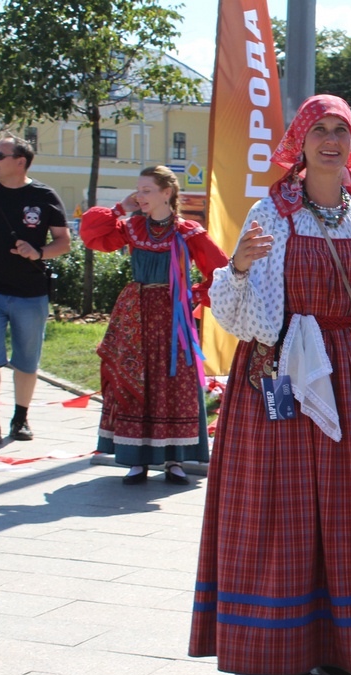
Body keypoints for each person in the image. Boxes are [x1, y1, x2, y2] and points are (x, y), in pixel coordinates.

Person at [189, 95, 351, 675]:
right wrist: (235, 267)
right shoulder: (274, 208)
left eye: (341, 129)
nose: (331, 140)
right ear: (300, 140)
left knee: (345, 509)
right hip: (283, 368)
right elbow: (247, 317)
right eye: (319, 129)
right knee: (283, 509)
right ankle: (274, 649)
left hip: (344, 369)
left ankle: (335, 642)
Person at [80, 166, 228, 484]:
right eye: (138, 190)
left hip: (173, 319)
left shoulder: (188, 232)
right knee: (136, 380)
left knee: (171, 383)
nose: (140, 196)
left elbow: (222, 271)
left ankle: (174, 459)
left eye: (147, 190)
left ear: (167, 193)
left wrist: (193, 296)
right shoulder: (132, 226)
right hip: (136, 316)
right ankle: (136, 458)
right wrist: (120, 208)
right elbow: (92, 235)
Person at [0, 136, 71, 444]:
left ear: (19, 162)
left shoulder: (43, 195)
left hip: (30, 293)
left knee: (26, 359)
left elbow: (63, 241)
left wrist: (38, 253)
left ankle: (20, 419)